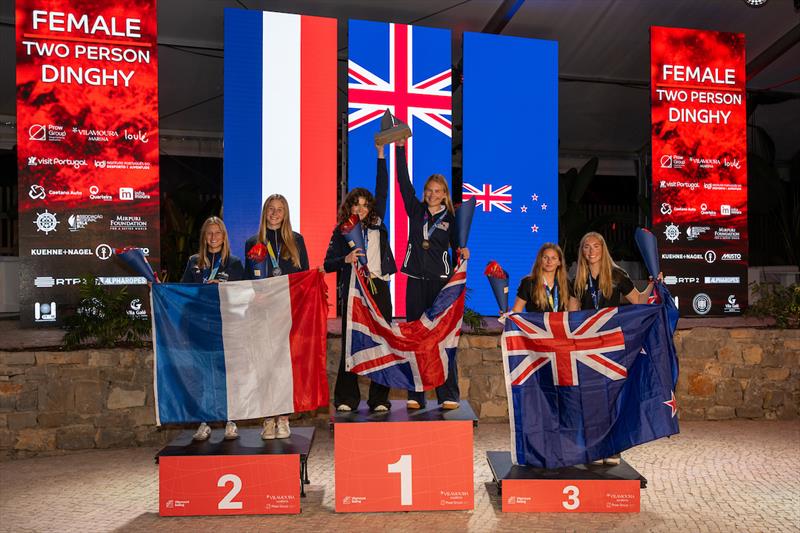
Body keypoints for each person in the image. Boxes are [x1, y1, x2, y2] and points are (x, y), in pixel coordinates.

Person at [568, 231, 661, 465]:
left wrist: (652, 284)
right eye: (587, 247)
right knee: (590, 397)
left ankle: (611, 448)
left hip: (611, 345)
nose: (591, 251)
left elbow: (639, 301)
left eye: (596, 246)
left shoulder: (617, 275)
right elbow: (571, 315)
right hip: (586, 346)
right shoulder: (577, 280)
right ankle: (593, 447)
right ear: (582, 251)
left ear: (603, 249)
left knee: (610, 396)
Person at [395, 139, 469, 410]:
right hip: (415, 282)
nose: (432, 194)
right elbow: (404, 184)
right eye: (429, 190)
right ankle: (416, 394)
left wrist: (464, 250)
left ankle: (448, 394)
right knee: (415, 335)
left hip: (440, 285)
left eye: (438, 191)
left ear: (445, 194)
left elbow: (458, 247)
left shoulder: (451, 218)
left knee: (441, 336)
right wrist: (400, 149)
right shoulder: (416, 211)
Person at [324, 142, 396, 413]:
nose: (362, 209)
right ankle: (347, 398)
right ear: (350, 207)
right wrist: (345, 259)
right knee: (351, 343)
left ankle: (379, 399)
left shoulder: (378, 224)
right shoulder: (341, 231)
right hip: (354, 290)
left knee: (383, 341)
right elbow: (327, 264)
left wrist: (381, 155)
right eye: (357, 204)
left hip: (379, 287)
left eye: (366, 205)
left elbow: (383, 189)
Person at [244, 194, 309, 439]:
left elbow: (304, 278)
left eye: (279, 209)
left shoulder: (296, 240)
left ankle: (283, 418)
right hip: (261, 313)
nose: (274, 213)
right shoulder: (253, 242)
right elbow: (249, 279)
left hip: (287, 313)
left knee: (284, 368)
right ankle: (268, 419)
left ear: (285, 213)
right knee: (264, 366)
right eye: (271, 209)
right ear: (265, 212)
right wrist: (256, 294)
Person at [181, 216, 244, 441]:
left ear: (224, 236)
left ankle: (231, 421)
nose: (213, 237)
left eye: (217, 233)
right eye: (209, 233)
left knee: (226, 375)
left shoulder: (233, 263)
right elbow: (183, 292)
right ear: (204, 237)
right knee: (202, 376)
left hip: (226, 327)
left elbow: (244, 293)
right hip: (200, 328)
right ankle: (204, 422)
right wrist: (159, 288)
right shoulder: (194, 262)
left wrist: (224, 287)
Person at [510, 243, 569, 313]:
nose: (549, 261)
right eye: (545, 257)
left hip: (558, 321)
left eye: (553, 258)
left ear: (559, 262)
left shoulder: (566, 284)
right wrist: (506, 315)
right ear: (540, 260)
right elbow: (516, 311)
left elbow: (572, 314)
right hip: (534, 321)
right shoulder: (528, 283)